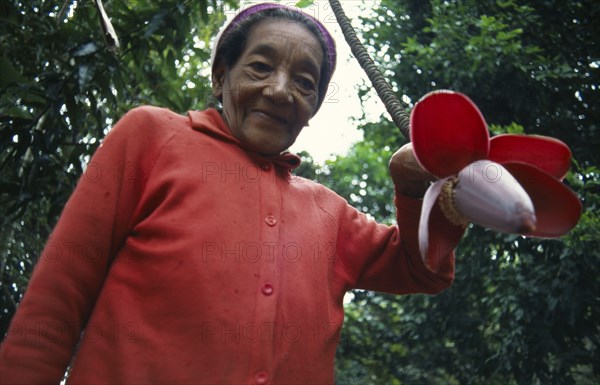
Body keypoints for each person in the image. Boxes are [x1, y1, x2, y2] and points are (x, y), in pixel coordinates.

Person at [0, 3, 465, 384]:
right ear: (221, 77)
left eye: (305, 83)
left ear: (314, 109)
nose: (280, 91)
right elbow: (56, 300)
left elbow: (422, 268)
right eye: (260, 67)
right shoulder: (152, 137)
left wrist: (413, 187)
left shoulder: (330, 213)